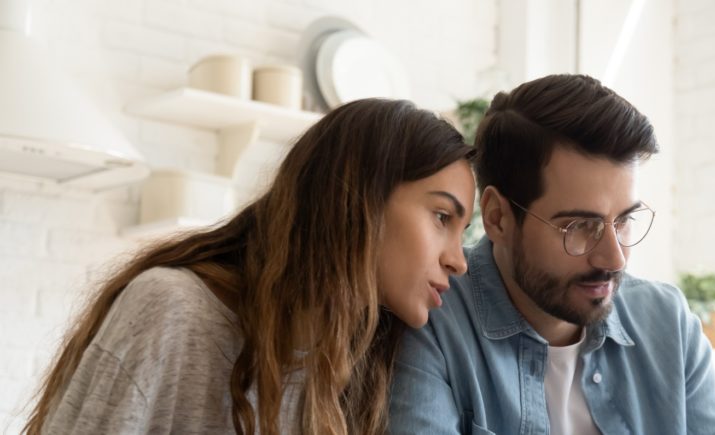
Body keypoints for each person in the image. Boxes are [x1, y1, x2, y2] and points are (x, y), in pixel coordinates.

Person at [22, 99, 476, 435]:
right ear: (361, 201)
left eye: (461, 231)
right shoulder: (170, 311)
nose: (458, 260)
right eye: (442, 217)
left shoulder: (359, 366)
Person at [388, 75, 715, 434]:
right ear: (497, 217)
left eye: (624, 221)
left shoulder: (668, 324)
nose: (615, 259)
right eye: (580, 227)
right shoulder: (430, 323)